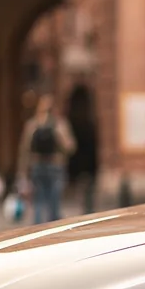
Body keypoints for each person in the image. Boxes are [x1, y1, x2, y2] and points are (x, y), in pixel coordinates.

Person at [19, 95, 76, 225]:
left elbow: (24, 150)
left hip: (37, 166)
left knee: (38, 202)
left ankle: (37, 229)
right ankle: (53, 230)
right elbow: (70, 147)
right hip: (55, 165)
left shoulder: (32, 124)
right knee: (54, 202)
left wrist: (22, 173)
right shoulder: (60, 124)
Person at [66, 87, 100, 215]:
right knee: (89, 197)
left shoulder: (72, 124)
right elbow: (94, 148)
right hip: (89, 167)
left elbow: (72, 148)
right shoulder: (90, 124)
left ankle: (84, 215)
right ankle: (88, 214)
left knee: (81, 196)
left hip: (78, 167)